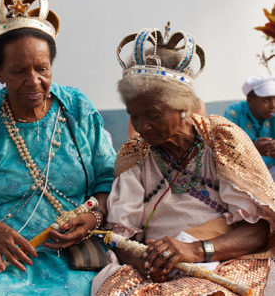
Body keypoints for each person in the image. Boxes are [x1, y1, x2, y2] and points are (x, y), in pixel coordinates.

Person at [0, 0, 116, 295]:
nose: (34, 81)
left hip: (78, 251)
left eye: (42, 68)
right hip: (1, 255)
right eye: (19, 72)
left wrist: (93, 216)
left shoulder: (77, 109)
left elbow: (109, 180)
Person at [92, 26, 275, 295]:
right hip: (154, 264)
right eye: (135, 116)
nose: (142, 126)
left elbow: (258, 229)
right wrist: (146, 262)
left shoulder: (221, 139)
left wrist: (196, 250)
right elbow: (121, 238)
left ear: (181, 107)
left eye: (152, 114)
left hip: (224, 258)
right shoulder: (135, 152)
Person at [224, 75, 275, 178]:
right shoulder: (235, 113)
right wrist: (253, 150)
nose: (273, 105)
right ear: (250, 100)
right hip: (243, 173)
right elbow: (225, 152)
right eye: (266, 100)